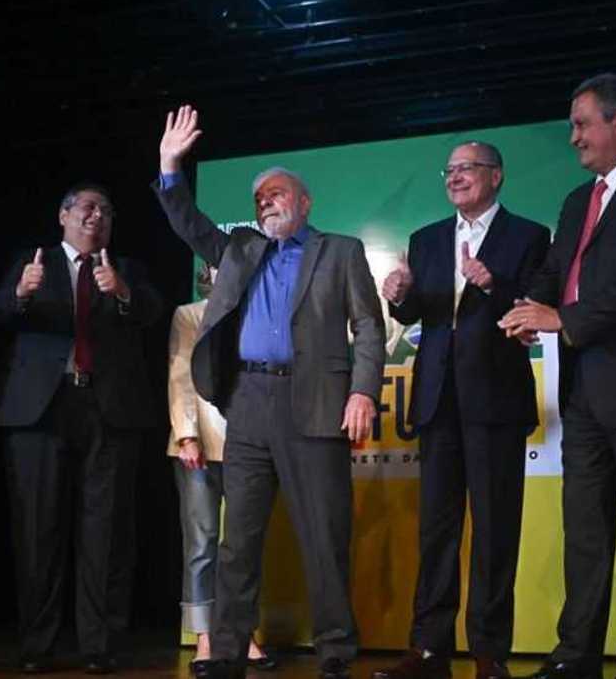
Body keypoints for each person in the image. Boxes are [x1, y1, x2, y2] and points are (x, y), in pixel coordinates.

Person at [152, 105, 385, 679]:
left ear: (305, 203)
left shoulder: (341, 251)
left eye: (277, 193)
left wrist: (362, 393)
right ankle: (228, 652)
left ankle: (335, 652)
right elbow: (188, 222)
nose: (266, 202)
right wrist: (169, 166)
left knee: (324, 538)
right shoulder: (240, 250)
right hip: (248, 405)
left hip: (316, 405)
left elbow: (371, 328)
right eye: (259, 198)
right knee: (238, 542)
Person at [499, 74, 616, 679]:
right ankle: (575, 656)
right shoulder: (577, 200)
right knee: (584, 533)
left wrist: (567, 318)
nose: (574, 136)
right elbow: (557, 268)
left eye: (583, 123)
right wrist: (529, 309)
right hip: (583, 392)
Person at [373, 142, 549, 679]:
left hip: (495, 400)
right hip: (436, 401)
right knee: (437, 531)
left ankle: (489, 652)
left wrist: (493, 285)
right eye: (449, 171)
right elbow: (417, 311)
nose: (455, 178)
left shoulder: (529, 236)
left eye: (466, 169)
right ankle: (428, 649)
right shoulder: (426, 239)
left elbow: (534, 311)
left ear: (495, 175)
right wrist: (398, 296)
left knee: (496, 530)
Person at [0, 183, 164, 674]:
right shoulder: (32, 262)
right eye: (87, 207)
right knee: (38, 529)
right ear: (63, 215)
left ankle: (99, 645)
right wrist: (21, 293)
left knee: (105, 532)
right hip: (39, 409)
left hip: (109, 409)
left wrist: (122, 293)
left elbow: (153, 313)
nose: (97, 216)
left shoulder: (126, 269)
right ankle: (37, 646)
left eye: (106, 210)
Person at [167, 264, 272, 674]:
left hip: (249, 443)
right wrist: (187, 435)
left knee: (243, 545)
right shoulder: (189, 314)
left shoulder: (258, 313)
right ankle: (205, 638)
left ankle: (243, 635)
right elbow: (180, 378)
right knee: (202, 541)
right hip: (200, 443)